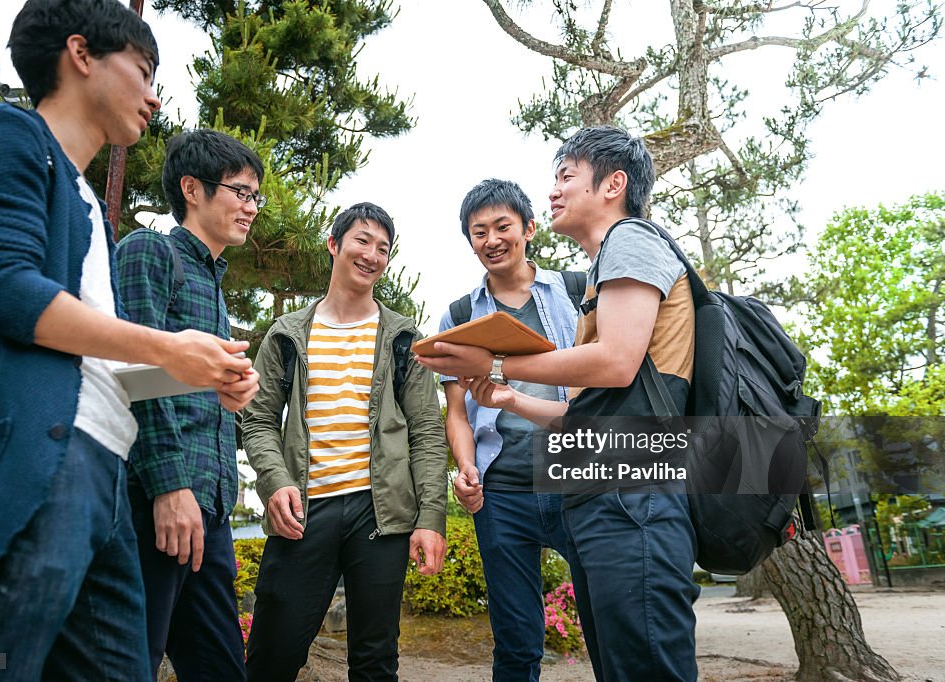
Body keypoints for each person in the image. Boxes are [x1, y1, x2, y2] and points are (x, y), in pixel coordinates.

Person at [0, 1, 254, 679]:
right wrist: (167, 347)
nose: (154, 97)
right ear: (80, 54)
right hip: (29, 461)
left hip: (103, 476)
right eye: (143, 69)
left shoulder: (91, 214)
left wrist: (194, 371)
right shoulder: (6, 136)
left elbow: (92, 361)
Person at [415, 126, 700, 681]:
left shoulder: (628, 244)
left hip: (624, 482)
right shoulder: (601, 268)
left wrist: (494, 367)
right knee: (608, 651)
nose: (554, 190)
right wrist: (508, 400)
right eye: (479, 232)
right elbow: (579, 408)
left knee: (639, 656)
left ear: (613, 184)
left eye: (566, 176)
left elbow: (616, 363)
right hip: (576, 487)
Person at [241, 202, 447, 681]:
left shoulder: (403, 337)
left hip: (381, 513)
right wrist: (274, 483)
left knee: (375, 661)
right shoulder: (287, 334)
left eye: (383, 248)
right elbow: (258, 422)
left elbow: (427, 432)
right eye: (362, 240)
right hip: (303, 509)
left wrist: (430, 517)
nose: (372, 254)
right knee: (273, 652)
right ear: (334, 245)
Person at [116, 129, 264, 680]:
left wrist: (233, 395)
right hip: (158, 501)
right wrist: (168, 487)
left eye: (256, 197)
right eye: (240, 192)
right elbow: (133, 377)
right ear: (192, 189)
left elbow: (184, 385)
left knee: (222, 667)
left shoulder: (215, 284)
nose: (251, 208)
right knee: (128, 662)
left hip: (211, 507)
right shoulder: (149, 250)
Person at [440, 179, 578, 680]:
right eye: (479, 232)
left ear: (530, 229)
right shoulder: (459, 316)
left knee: (613, 620)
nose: (492, 240)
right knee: (516, 640)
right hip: (501, 492)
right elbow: (457, 412)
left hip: (579, 483)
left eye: (503, 227)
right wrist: (466, 468)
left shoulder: (578, 291)